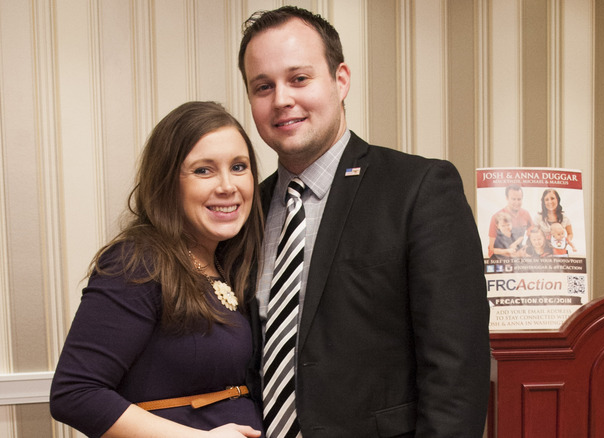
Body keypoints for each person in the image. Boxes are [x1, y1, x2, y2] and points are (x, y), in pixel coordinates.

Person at [238, 6, 490, 437]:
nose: (281, 99)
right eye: (263, 86)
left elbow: (456, 371)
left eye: (299, 78)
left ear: (340, 81)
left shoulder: (419, 188)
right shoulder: (248, 211)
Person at [50, 101, 264, 438]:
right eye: (203, 170)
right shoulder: (137, 262)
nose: (227, 185)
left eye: (239, 167)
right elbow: (75, 393)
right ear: (168, 182)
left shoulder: (229, 264)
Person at [487, 184, 533, 257]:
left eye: (519, 199)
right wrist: (509, 252)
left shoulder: (526, 214)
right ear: (507, 198)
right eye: (513, 199)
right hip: (502, 259)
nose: (517, 202)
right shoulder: (496, 217)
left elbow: (532, 233)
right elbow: (491, 249)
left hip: (520, 259)